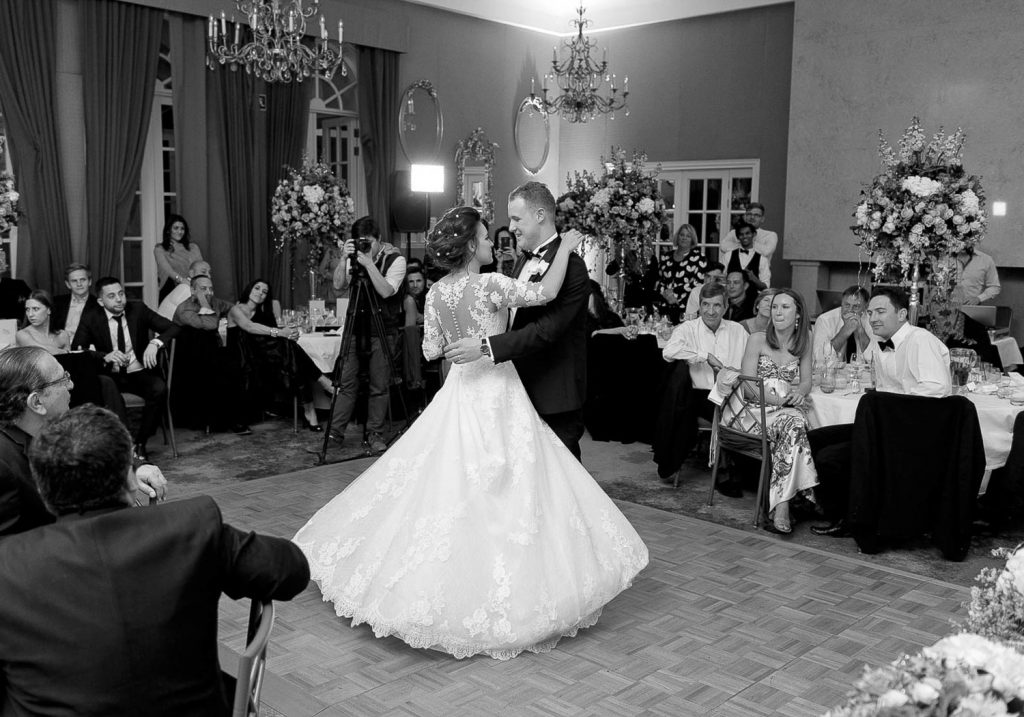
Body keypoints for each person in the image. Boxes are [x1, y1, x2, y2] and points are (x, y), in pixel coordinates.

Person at [293, 205, 647, 660]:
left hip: (460, 391)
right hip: (498, 390)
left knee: (449, 479)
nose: (492, 242)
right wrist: (568, 249)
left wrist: (461, 344)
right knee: (507, 480)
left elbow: (430, 349)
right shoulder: (491, 283)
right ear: (470, 247)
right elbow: (545, 293)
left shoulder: (436, 292)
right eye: (484, 237)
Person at [0, 404, 308, 715]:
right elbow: (291, 569)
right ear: (129, 478)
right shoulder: (191, 527)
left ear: (44, 491)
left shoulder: (9, 565)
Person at [445, 182, 591, 460]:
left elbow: (546, 331)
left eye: (516, 219)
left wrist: (485, 347)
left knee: (561, 473)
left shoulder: (571, 266)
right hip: (516, 387)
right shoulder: (522, 260)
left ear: (540, 215)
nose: (511, 227)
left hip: (553, 392)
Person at [808, 287, 951, 538]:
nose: (873, 318)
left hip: (909, 432)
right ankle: (828, 506)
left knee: (830, 457)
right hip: (884, 425)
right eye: (871, 312)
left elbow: (937, 389)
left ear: (902, 314)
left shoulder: (920, 340)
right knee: (814, 438)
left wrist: (889, 406)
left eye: (880, 312)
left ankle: (851, 518)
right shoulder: (880, 343)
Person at [0, 347, 166, 538]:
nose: (71, 385)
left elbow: (94, 448)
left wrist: (135, 467)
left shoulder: (52, 425)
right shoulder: (4, 465)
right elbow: (9, 549)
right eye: (62, 380)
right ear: (36, 402)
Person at [719, 288, 818, 534]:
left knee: (794, 424)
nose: (777, 312)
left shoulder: (805, 339)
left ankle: (781, 504)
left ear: (798, 313)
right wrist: (782, 401)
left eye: (785, 307)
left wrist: (799, 393)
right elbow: (749, 387)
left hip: (783, 414)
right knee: (796, 422)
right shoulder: (757, 339)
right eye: (774, 307)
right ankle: (788, 503)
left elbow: (807, 380)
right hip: (750, 413)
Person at [71, 277, 180, 461]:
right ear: (101, 301)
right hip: (110, 374)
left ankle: (140, 443)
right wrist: (104, 356)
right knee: (104, 390)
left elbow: (173, 328)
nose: (119, 299)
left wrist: (155, 343)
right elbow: (78, 349)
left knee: (159, 388)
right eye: (112, 296)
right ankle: (120, 444)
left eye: (121, 294)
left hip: (138, 371)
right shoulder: (91, 317)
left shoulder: (138, 309)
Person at [328, 216, 407, 454]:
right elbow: (338, 286)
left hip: (382, 329)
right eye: (359, 242)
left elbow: (386, 291)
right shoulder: (353, 259)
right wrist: (344, 259)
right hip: (355, 328)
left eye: (369, 242)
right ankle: (334, 434)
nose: (365, 247)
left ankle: (375, 434)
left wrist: (370, 264)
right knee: (346, 383)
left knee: (379, 385)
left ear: (379, 239)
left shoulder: (396, 260)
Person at [660, 283, 747, 483]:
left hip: (734, 393)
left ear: (725, 307)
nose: (710, 311)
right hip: (700, 396)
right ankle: (725, 468)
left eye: (717, 305)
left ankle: (739, 467)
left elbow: (750, 361)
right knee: (718, 408)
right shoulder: (688, 329)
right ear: (699, 306)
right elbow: (668, 352)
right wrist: (705, 356)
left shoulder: (737, 330)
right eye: (706, 304)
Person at [228, 278, 330, 431]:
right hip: (240, 359)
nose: (260, 293)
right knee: (292, 355)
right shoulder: (236, 309)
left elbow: (271, 337)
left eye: (264, 292)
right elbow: (249, 326)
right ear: (249, 289)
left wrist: (290, 334)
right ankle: (318, 391)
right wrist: (281, 333)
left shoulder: (264, 312)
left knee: (291, 352)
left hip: (260, 359)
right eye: (257, 288)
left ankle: (312, 407)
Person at [15, 289, 126, 417]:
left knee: (106, 382)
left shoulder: (62, 335)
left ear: (49, 310)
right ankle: (89, 417)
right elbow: (43, 351)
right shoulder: (22, 334)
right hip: (38, 380)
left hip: (64, 379)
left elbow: (70, 364)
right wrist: (70, 352)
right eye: (27, 309)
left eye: (35, 309)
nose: (30, 314)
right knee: (84, 364)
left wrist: (73, 354)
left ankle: (104, 422)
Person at [173, 275, 251, 435]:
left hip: (209, 350)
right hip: (188, 358)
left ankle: (235, 418)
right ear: (192, 290)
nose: (209, 292)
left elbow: (232, 308)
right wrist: (203, 303)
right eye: (203, 289)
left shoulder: (215, 301)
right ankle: (223, 421)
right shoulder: (184, 309)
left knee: (237, 363)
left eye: (211, 288)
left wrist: (242, 310)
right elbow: (210, 324)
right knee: (222, 370)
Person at [655, 224, 707, 323]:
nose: (684, 238)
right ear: (677, 236)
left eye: (688, 236)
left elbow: (697, 283)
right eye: (682, 235)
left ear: (692, 239)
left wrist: (674, 293)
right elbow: (659, 281)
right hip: (665, 306)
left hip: (687, 308)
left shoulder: (699, 258)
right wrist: (666, 295)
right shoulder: (666, 257)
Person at [811, 286, 874, 364]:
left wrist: (861, 331)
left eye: (856, 306)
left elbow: (875, 359)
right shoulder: (825, 320)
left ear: (866, 307)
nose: (850, 310)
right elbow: (819, 359)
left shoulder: (872, 321)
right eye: (847, 305)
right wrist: (845, 331)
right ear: (841, 303)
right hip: (833, 371)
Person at [154, 214, 204, 302]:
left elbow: (201, 268)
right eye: (176, 228)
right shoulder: (160, 249)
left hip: (192, 290)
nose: (180, 231)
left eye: (182, 229)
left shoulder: (193, 247)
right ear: (168, 230)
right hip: (171, 290)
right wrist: (182, 280)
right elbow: (166, 269)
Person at [50, 262, 102, 339]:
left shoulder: (99, 305)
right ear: (68, 284)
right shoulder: (56, 302)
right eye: (74, 281)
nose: (79, 284)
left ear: (90, 282)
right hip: (58, 345)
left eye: (83, 280)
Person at [720, 220, 770, 290]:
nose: (744, 236)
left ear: (754, 234)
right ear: (738, 237)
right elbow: (720, 280)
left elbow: (765, 288)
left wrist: (754, 279)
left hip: (753, 296)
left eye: (747, 233)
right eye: (741, 234)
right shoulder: (728, 256)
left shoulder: (762, 260)